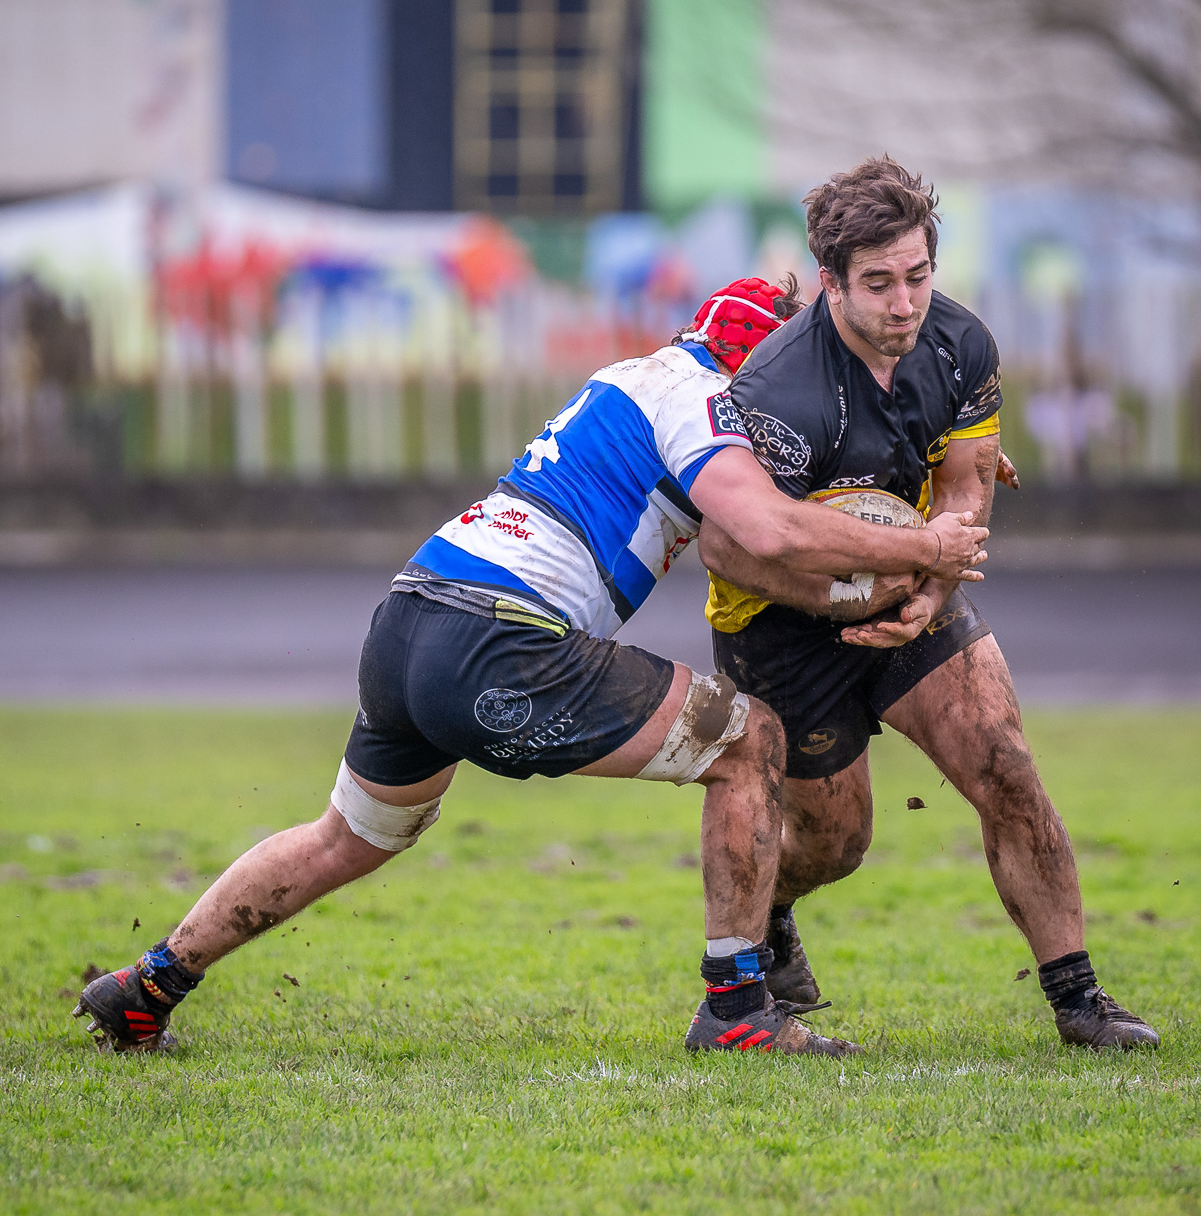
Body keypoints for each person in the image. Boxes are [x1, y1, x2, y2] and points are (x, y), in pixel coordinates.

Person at [75, 278, 987, 1060]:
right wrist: (932, 546)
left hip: (411, 619)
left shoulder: (631, 377)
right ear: (750, 366)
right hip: (499, 640)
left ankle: (146, 986)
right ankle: (738, 1012)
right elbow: (771, 529)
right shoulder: (702, 399)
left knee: (346, 837)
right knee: (749, 740)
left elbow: (808, 469)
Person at [701, 159, 1158, 1052]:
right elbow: (730, 550)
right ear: (829, 282)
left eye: (917, 276)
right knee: (837, 842)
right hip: (779, 626)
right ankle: (777, 908)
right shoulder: (779, 393)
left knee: (1004, 765)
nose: (902, 303)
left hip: (912, 590)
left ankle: (1078, 1000)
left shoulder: (960, 346)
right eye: (876, 283)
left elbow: (965, 487)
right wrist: (855, 590)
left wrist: (930, 590)